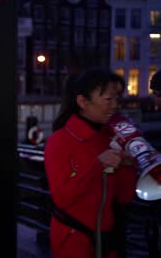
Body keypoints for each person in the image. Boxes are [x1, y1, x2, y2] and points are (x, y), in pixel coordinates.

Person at [44, 68, 138, 258]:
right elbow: (61, 198)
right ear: (82, 102)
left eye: (116, 99)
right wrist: (97, 165)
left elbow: (125, 197)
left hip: (108, 241)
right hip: (74, 240)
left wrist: (128, 166)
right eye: (108, 99)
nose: (115, 106)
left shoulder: (110, 137)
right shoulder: (59, 141)